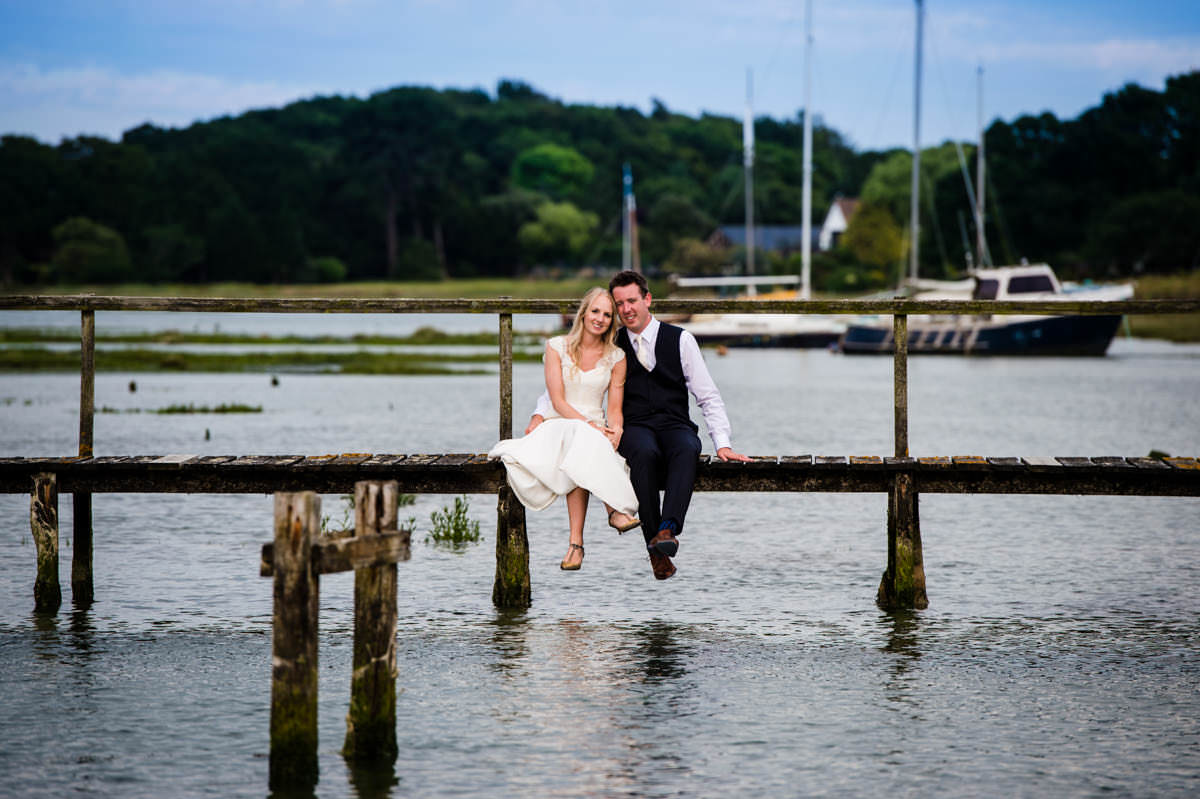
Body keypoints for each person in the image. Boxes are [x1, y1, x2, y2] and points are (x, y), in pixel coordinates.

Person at [529, 271, 751, 580]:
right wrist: (539, 414)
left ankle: (666, 532)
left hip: (675, 422)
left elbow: (708, 396)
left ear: (647, 300)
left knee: (687, 448)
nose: (626, 309)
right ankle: (655, 552)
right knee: (643, 454)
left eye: (632, 301)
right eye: (619, 304)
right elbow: (567, 384)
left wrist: (723, 443)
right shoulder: (612, 343)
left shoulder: (681, 339)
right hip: (634, 426)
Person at [489, 287, 640, 571]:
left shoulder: (617, 357)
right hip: (559, 423)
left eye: (607, 315)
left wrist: (616, 429)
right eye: (595, 311)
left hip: (593, 429)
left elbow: (616, 408)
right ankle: (614, 511)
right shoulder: (556, 347)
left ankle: (575, 545)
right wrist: (591, 427)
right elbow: (557, 400)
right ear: (583, 313)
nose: (600, 318)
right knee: (581, 437)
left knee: (585, 447)